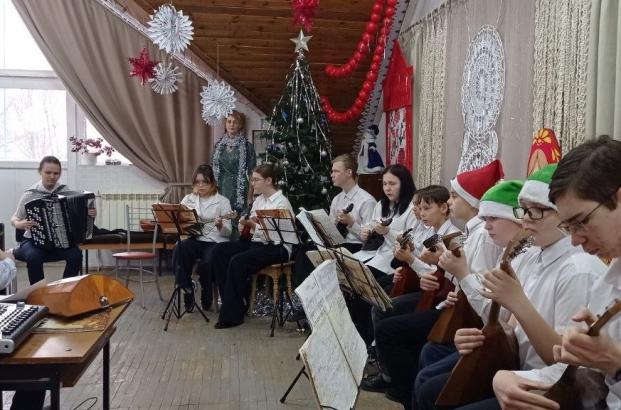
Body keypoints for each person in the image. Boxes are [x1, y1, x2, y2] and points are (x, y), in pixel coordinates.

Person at [417, 165, 607, 410]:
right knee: (430, 382)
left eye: (536, 211)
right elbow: (512, 327)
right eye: (523, 210)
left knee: (433, 387)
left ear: (566, 214)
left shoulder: (577, 270)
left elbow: (564, 362)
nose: (525, 219)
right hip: (519, 365)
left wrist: (470, 279)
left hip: (550, 388)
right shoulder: (537, 255)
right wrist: (482, 335)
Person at [492, 135, 621, 409]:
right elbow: (578, 375)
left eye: (581, 222)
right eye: (569, 227)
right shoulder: (608, 285)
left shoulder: (581, 271)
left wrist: (615, 364)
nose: (574, 240)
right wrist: (508, 378)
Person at [361, 185, 460, 408]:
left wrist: (411, 261)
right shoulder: (429, 231)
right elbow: (426, 267)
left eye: (426, 208)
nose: (421, 212)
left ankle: (394, 377)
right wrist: (405, 261)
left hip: (438, 298)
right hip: (428, 289)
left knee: (385, 311)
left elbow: (437, 276)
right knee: (378, 301)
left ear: (444, 208)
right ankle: (385, 365)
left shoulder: (451, 236)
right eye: (418, 207)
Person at [206, 163, 293, 329]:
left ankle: (232, 316)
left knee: (238, 261)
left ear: (268, 180)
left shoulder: (282, 203)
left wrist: (253, 226)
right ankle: (235, 303)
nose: (252, 184)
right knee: (219, 251)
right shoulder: (259, 200)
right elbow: (251, 227)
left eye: (256, 180)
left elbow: (276, 235)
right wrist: (244, 226)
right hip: (256, 242)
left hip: (277, 247)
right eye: (252, 180)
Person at [11, 156, 96, 285]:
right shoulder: (30, 194)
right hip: (33, 241)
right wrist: (19, 224)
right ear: (40, 172)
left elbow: (76, 215)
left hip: (60, 242)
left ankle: (65, 289)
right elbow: (15, 218)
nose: (52, 176)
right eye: (48, 172)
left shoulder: (65, 191)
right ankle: (38, 292)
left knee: (76, 255)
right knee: (34, 257)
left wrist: (89, 214)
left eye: (56, 173)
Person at [293, 154, 376, 287]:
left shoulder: (367, 201)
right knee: (306, 250)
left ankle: (318, 290)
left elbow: (369, 239)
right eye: (332, 171)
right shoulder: (337, 199)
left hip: (356, 246)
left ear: (349, 172)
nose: (332, 175)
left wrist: (351, 223)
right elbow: (331, 231)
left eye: (336, 171)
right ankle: (307, 290)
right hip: (337, 244)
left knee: (320, 255)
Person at [173, 164, 233, 311]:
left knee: (208, 262)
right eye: (197, 182)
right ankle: (187, 288)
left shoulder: (223, 201)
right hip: (196, 239)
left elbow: (228, 232)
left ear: (212, 183)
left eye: (204, 182)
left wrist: (220, 225)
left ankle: (207, 291)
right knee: (180, 248)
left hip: (215, 242)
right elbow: (179, 221)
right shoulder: (188, 199)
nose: (200, 186)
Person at [211, 111, 256, 216]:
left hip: (240, 189)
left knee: (239, 218)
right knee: (223, 217)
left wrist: (250, 196)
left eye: (235, 122)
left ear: (240, 125)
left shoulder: (247, 146)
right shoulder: (218, 146)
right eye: (229, 121)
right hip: (222, 187)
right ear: (225, 124)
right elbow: (212, 170)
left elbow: (252, 174)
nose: (232, 124)